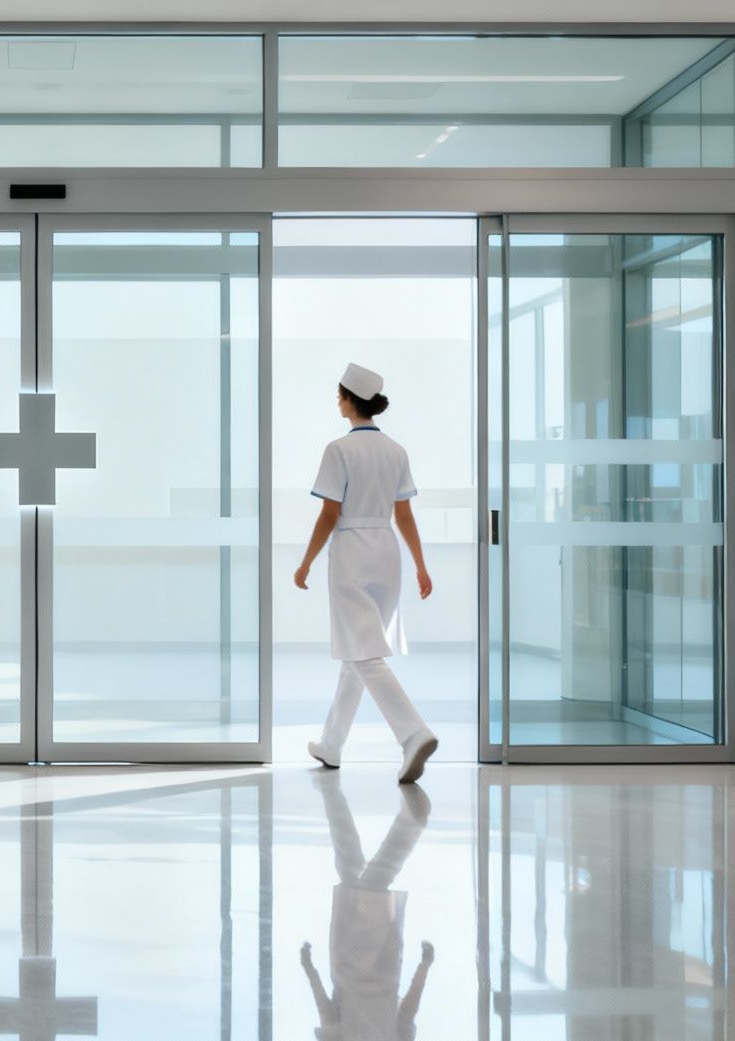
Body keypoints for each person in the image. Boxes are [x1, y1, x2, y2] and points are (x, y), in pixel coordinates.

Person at [294, 363, 439, 784]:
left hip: (353, 553)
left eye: (338, 395)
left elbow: (329, 513)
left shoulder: (339, 450)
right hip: (387, 553)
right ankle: (331, 744)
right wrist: (420, 564)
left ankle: (413, 733)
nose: (336, 401)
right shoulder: (396, 450)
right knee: (356, 652)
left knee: (363, 651)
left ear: (349, 400)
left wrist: (305, 562)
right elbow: (405, 514)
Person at [301, 773, 435, 1041]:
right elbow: (325, 1010)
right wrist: (308, 967)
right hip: (348, 964)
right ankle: (410, 823)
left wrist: (424, 966)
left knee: (362, 872)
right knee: (360, 871)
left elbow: (408, 1010)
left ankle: (337, 796)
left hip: (384, 966)